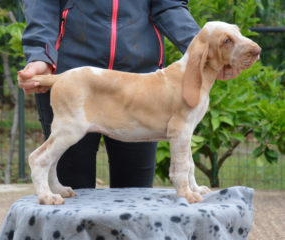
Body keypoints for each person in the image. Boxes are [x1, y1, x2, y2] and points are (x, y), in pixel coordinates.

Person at [18, 0, 230, 190]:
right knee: (72, 198)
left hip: (144, 85)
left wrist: (211, 52)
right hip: (73, 79)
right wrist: (41, 54)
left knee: (135, 196)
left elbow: (169, 4)